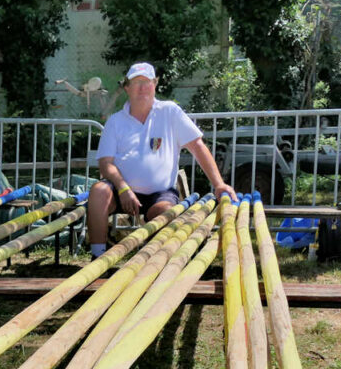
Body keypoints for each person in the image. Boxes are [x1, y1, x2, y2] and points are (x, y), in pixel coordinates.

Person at [87, 62, 236, 258]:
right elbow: (106, 164)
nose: (143, 88)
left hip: (160, 193)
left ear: (155, 84)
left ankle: (154, 260)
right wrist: (123, 189)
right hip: (120, 191)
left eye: (147, 82)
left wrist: (218, 184)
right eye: (137, 82)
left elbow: (198, 147)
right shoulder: (115, 121)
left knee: (166, 211)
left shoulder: (170, 111)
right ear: (126, 88)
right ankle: (97, 257)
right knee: (98, 191)